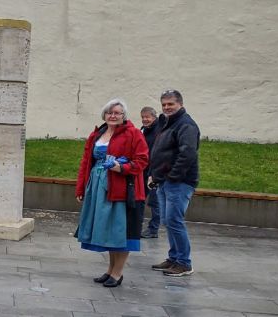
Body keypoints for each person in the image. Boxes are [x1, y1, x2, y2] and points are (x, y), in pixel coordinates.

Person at [74, 98, 149, 288]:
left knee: (119, 231)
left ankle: (117, 273)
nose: (113, 116)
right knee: (107, 230)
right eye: (110, 112)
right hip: (97, 186)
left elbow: (142, 161)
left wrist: (121, 167)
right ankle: (110, 270)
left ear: (124, 116)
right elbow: (86, 162)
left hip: (121, 189)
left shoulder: (133, 133)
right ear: (104, 115)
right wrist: (81, 187)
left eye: (117, 113)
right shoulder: (97, 134)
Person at [149, 89, 201, 278]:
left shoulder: (186, 125)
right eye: (163, 104)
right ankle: (174, 258)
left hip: (179, 182)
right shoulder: (168, 123)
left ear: (180, 103)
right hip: (165, 181)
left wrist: (172, 176)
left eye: (170, 104)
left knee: (175, 221)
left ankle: (184, 263)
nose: (166, 107)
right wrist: (156, 175)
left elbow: (187, 154)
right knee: (168, 221)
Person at [140, 106, 161, 238]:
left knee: (154, 201)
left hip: (155, 172)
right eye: (142, 117)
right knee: (140, 198)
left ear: (154, 117)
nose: (144, 120)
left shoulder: (159, 130)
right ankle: (137, 224)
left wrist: (154, 173)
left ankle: (153, 229)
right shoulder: (143, 130)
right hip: (144, 170)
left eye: (147, 117)